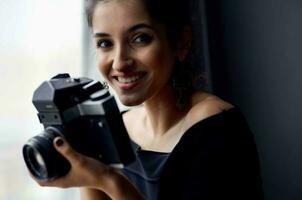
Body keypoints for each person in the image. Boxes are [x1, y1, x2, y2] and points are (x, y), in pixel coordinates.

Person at [31, 0, 264, 199]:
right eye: (105, 43)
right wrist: (84, 166)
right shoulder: (116, 126)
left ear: (181, 41)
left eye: (140, 38)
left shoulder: (217, 128)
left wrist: (109, 181)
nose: (120, 62)